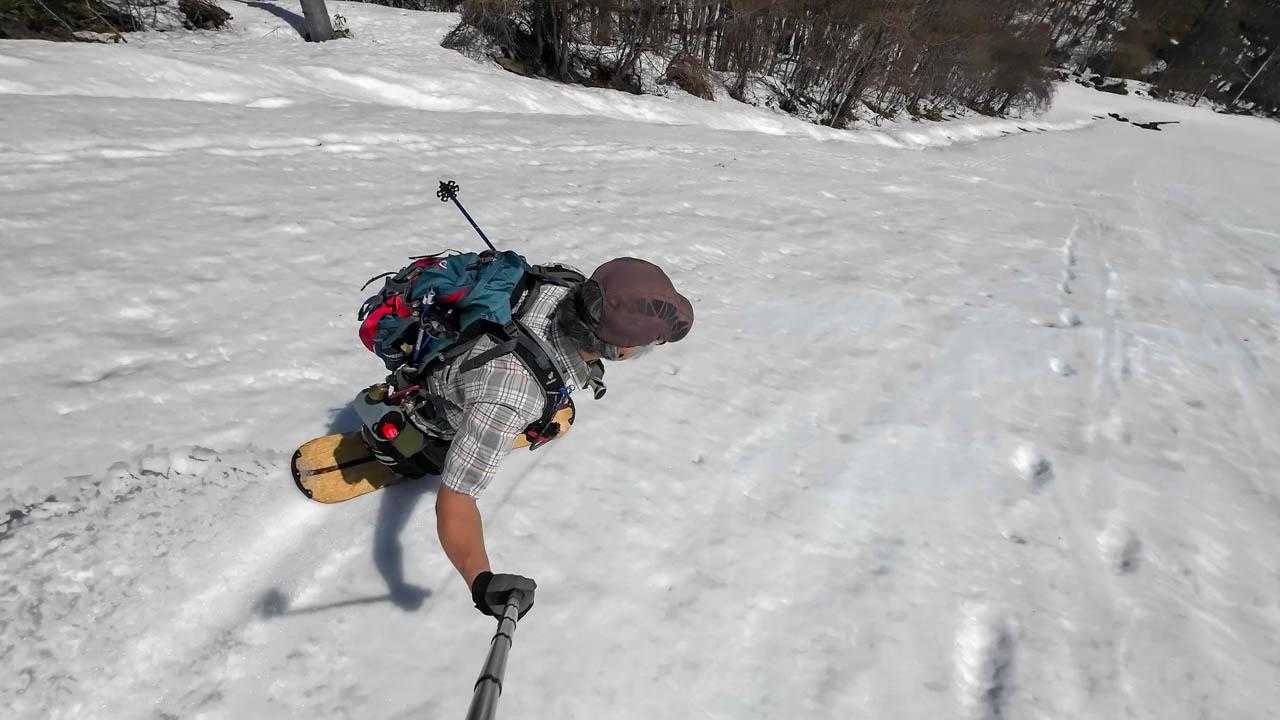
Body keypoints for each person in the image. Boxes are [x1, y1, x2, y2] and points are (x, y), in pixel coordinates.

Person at [379, 257, 693, 619]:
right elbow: (456, 500)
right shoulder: (512, 398)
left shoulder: (564, 283)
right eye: (645, 344)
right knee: (435, 454)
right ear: (616, 350)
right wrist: (482, 582)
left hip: (472, 361)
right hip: (436, 410)